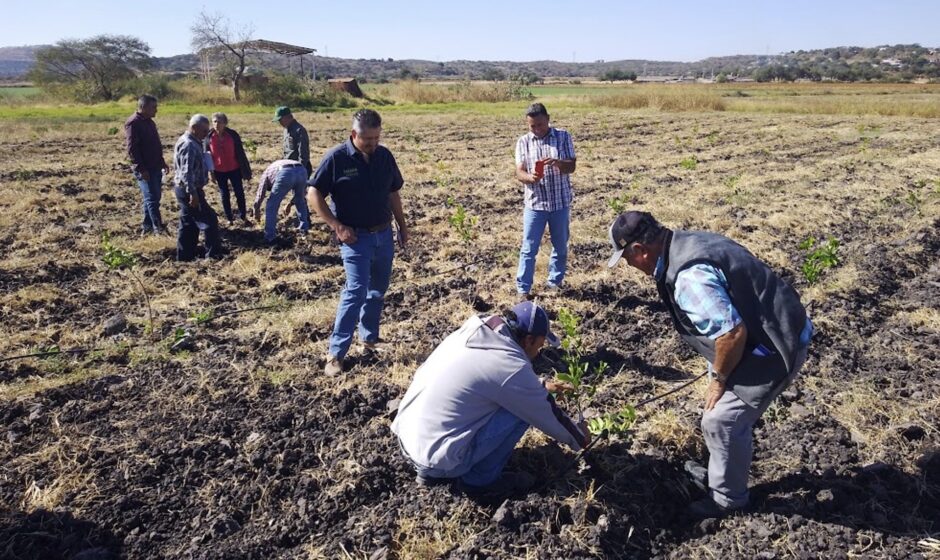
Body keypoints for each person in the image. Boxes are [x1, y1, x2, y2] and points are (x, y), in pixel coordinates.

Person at [606, 210, 814, 518]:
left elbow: (732, 334)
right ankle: (721, 471)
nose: (630, 267)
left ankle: (728, 501)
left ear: (640, 250)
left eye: (626, 260)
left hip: (778, 347)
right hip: (780, 325)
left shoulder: (689, 278)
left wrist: (719, 379)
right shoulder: (689, 241)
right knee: (718, 407)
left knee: (721, 420)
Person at [392, 302, 589, 495]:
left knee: (512, 398)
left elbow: (490, 377)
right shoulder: (510, 365)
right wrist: (580, 438)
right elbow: (544, 411)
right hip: (436, 460)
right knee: (521, 411)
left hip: (408, 438)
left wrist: (540, 385)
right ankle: (479, 482)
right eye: (539, 345)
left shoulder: (475, 331)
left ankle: (435, 468)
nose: (538, 353)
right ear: (529, 340)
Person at [306, 109, 409, 376]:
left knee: (378, 290)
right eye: (367, 140)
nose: (373, 144)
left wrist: (402, 225)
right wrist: (336, 225)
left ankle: (369, 339)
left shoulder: (384, 156)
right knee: (355, 292)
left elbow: (393, 192)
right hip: (355, 238)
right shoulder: (337, 158)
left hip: (383, 234)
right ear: (354, 135)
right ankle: (336, 353)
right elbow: (313, 192)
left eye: (377, 138)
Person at [513, 102, 577, 300]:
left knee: (560, 246)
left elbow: (572, 166)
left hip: (560, 203)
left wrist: (559, 163)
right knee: (528, 248)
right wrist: (529, 178)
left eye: (540, 124)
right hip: (535, 204)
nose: (537, 129)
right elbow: (519, 171)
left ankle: (554, 283)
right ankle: (523, 289)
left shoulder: (563, 136)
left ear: (548, 119)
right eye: (532, 126)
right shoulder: (523, 142)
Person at [173, 114, 222, 261]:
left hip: (189, 189)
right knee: (210, 220)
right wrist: (193, 193)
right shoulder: (189, 144)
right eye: (204, 131)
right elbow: (186, 172)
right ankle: (212, 256)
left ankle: (185, 257)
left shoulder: (193, 142)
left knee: (189, 224)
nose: (206, 134)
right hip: (189, 190)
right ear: (194, 128)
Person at [125, 95, 169, 235]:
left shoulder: (150, 122)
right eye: (153, 107)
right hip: (145, 168)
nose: (156, 110)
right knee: (152, 198)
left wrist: (162, 162)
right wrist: (141, 168)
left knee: (153, 197)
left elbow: (155, 144)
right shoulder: (133, 123)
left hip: (155, 165)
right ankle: (158, 228)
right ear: (143, 107)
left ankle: (147, 227)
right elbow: (132, 149)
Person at [205, 112, 253, 225]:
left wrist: (245, 170)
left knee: (239, 192)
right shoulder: (209, 137)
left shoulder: (232, 135)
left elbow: (241, 153)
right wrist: (210, 172)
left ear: (225, 123)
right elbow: (207, 155)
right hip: (219, 170)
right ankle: (229, 218)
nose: (217, 124)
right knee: (224, 194)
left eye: (219, 121)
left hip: (234, 168)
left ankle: (243, 216)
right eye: (214, 121)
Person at [252, 159, 310, 245]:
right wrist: (290, 204)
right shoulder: (273, 168)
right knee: (300, 201)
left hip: (285, 172)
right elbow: (301, 194)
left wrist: (256, 210)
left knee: (271, 205)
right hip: (302, 170)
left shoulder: (266, 174)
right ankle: (303, 231)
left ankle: (269, 237)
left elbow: (261, 194)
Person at [273, 106, 312, 176]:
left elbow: (303, 153)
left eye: (280, 120)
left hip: (299, 169)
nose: (280, 123)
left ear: (287, 117)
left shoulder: (299, 130)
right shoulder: (286, 130)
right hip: (289, 167)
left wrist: (300, 169)